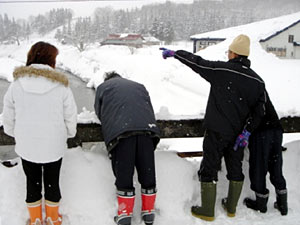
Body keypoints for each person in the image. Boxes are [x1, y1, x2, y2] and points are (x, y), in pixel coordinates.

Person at [160, 34, 266, 221]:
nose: (228, 54)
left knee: (209, 168)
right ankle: (231, 207)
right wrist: (247, 131)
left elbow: (198, 63)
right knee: (236, 168)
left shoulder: (222, 70)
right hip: (238, 135)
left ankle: (207, 210)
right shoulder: (257, 82)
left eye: (229, 52)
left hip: (217, 131)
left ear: (233, 53)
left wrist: (176, 54)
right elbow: (260, 112)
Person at [2, 41, 77, 225]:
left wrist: (17, 134)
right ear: (50, 60)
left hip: (27, 146)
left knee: (32, 183)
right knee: (52, 181)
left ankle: (35, 219)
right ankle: (53, 218)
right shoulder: (61, 85)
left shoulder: (16, 85)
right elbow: (70, 116)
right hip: (53, 145)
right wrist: (67, 134)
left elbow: (8, 118)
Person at [94, 71, 160, 225]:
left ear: (108, 79)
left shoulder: (103, 87)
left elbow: (99, 112)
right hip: (147, 131)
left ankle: (125, 215)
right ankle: (149, 214)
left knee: (124, 174)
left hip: (122, 133)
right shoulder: (139, 86)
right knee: (147, 172)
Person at [243, 92, 288, 215]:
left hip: (261, 131)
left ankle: (261, 203)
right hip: (276, 128)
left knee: (258, 166)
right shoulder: (258, 85)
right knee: (276, 165)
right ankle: (282, 204)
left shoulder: (242, 87)